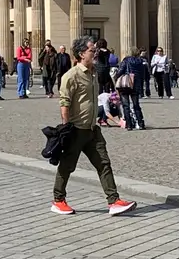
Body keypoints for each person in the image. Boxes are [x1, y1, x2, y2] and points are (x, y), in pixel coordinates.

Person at [52, 35, 137, 217]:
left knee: (104, 163)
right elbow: (64, 102)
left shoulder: (94, 72)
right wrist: (65, 128)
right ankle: (58, 200)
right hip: (76, 129)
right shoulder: (71, 76)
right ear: (82, 54)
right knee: (67, 165)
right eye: (92, 50)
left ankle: (113, 201)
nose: (95, 52)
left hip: (92, 129)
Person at [115, 48, 147, 130]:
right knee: (136, 105)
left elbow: (120, 71)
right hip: (136, 84)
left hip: (125, 84)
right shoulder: (141, 61)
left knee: (126, 106)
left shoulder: (126, 60)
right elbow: (143, 74)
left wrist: (116, 77)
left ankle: (129, 125)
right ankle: (141, 123)